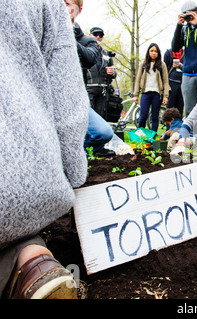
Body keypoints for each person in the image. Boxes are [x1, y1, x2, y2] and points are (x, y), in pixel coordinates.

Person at [0, 0, 89, 299]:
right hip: (21, 185)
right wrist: (73, 177)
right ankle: (33, 262)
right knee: (20, 231)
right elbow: (68, 102)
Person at [66, 0, 114, 156]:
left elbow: (89, 59)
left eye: (67, 4)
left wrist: (66, 35)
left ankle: (80, 154)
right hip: (54, 99)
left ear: (78, 9)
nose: (62, 8)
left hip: (81, 95)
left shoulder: (87, 41)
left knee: (104, 132)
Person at [133, 43, 169, 132]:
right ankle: (139, 135)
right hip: (145, 93)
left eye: (156, 51)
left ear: (158, 53)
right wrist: (136, 94)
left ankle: (152, 137)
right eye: (152, 51)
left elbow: (165, 81)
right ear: (148, 52)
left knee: (154, 117)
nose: (154, 53)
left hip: (157, 94)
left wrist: (165, 96)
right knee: (143, 116)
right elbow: (137, 80)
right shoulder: (143, 64)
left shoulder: (162, 65)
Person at [86, 27, 117, 120]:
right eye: (95, 34)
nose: (98, 37)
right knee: (88, 118)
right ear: (90, 35)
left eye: (101, 35)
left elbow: (114, 74)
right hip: (88, 89)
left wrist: (112, 73)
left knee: (100, 119)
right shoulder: (85, 51)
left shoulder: (107, 55)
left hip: (103, 91)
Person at [164, 48, 185, 117]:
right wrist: (166, 84)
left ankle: (179, 127)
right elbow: (165, 70)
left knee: (180, 108)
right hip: (171, 83)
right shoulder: (168, 53)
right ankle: (169, 127)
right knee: (170, 109)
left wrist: (181, 66)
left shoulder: (186, 53)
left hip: (183, 84)